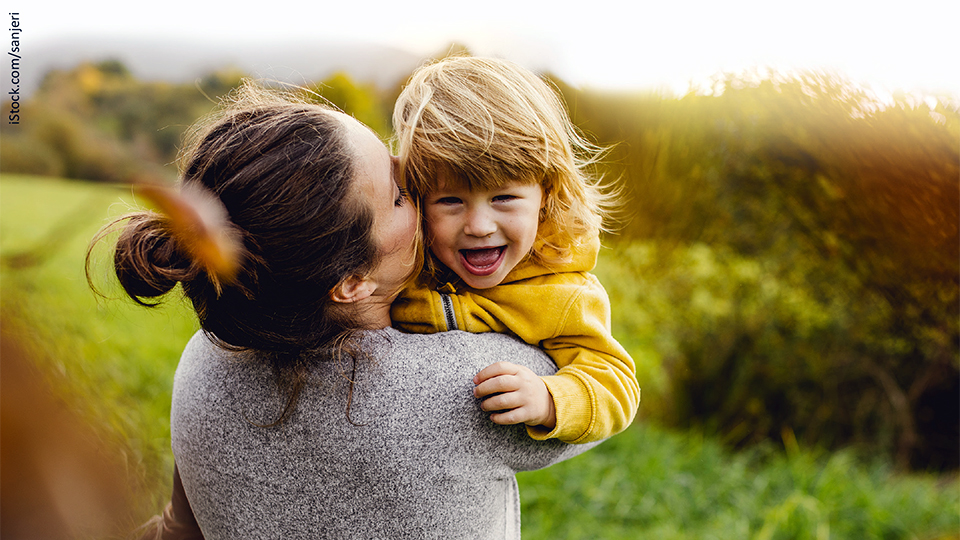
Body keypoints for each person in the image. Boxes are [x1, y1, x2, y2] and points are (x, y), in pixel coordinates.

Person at [90, 82, 598, 539]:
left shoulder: (205, 359)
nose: (416, 180)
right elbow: (594, 383)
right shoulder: (476, 383)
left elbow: (179, 529)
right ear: (352, 282)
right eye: (401, 196)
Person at [390, 56, 640, 444]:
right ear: (419, 200)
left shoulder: (563, 293)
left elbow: (616, 382)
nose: (479, 226)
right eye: (450, 201)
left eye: (504, 198)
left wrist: (549, 399)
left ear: (546, 194)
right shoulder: (404, 259)